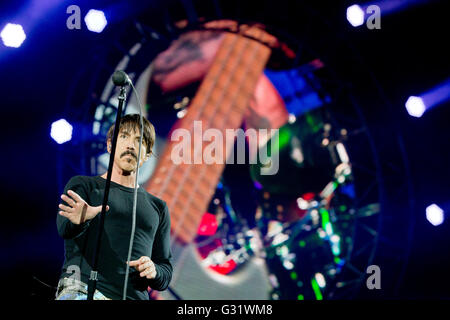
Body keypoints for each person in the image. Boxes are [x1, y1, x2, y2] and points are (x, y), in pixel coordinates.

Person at [55, 114, 172, 300]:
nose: (130, 145)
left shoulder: (158, 208)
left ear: (148, 154)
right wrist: (80, 222)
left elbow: (165, 271)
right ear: (110, 145)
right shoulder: (85, 186)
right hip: (84, 291)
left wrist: (154, 270)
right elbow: (64, 228)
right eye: (124, 136)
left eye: (139, 140)